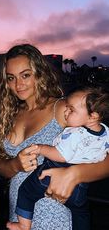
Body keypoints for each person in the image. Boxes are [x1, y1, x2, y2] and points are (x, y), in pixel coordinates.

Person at [0, 43, 109, 230]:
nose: (18, 84)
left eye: (25, 75)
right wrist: (15, 164)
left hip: (56, 219)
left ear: (39, 73)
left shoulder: (63, 109)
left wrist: (75, 174)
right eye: (11, 78)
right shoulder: (9, 114)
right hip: (20, 217)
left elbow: (104, 155)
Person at [7, 87, 109, 230]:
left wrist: (41, 148)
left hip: (52, 175)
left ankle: (23, 225)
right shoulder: (105, 131)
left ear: (93, 116)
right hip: (80, 188)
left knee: (26, 192)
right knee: (81, 212)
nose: (66, 112)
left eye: (71, 110)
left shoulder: (76, 133)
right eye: (67, 108)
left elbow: (60, 155)